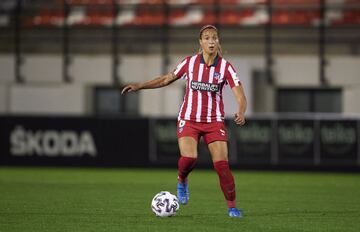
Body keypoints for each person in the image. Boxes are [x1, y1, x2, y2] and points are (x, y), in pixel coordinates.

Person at [121, 25, 247, 218]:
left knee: (222, 166)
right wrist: (140, 86)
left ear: (218, 41)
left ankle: (232, 208)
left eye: (214, 38)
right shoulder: (189, 63)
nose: (211, 41)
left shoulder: (225, 67)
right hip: (189, 119)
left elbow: (240, 95)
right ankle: (182, 180)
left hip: (214, 122)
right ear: (200, 42)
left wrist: (241, 111)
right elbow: (166, 79)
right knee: (189, 159)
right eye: (207, 38)